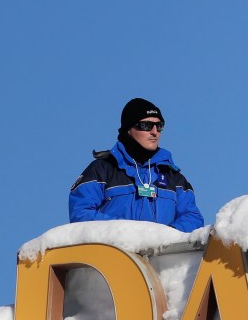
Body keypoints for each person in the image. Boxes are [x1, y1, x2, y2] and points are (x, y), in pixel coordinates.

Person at [69, 98, 204, 233]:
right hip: (117, 251)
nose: (154, 132)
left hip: (161, 253)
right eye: (146, 125)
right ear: (128, 129)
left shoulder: (173, 178)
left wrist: (167, 235)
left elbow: (193, 217)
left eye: (159, 126)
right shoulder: (102, 169)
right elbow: (81, 213)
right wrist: (128, 232)